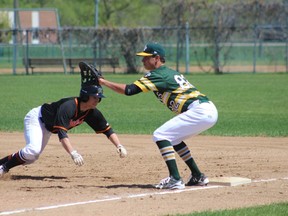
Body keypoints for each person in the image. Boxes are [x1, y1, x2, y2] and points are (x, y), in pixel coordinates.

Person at [99, 42, 218, 190]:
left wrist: (102, 82)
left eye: (146, 57)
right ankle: (197, 176)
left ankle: (175, 179)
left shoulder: (157, 75)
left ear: (157, 58)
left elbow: (129, 90)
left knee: (161, 135)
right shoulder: (170, 72)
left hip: (199, 111)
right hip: (207, 109)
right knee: (174, 138)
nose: (143, 60)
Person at [0, 84, 127, 177]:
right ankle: (3, 168)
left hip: (49, 127)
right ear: (85, 96)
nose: (98, 100)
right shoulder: (69, 107)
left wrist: (119, 145)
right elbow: (61, 133)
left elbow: (107, 130)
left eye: (99, 98)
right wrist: (73, 153)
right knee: (32, 150)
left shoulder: (91, 112)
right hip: (37, 119)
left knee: (31, 158)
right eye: (95, 97)